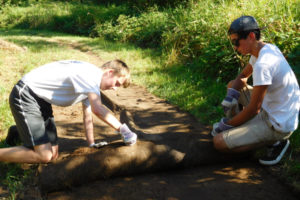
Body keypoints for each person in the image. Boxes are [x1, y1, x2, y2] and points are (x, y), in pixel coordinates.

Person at [0, 59, 137, 164]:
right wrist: (123, 129)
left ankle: (18, 131)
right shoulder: (90, 75)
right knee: (44, 156)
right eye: (117, 83)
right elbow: (98, 109)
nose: (115, 89)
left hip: (42, 101)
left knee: (53, 153)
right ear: (110, 72)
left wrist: (91, 144)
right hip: (26, 94)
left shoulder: (92, 85)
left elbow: (88, 116)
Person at [212, 16, 300, 165]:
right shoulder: (264, 49)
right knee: (232, 84)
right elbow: (243, 76)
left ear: (251, 36)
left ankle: (276, 142)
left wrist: (226, 125)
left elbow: (254, 109)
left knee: (218, 142)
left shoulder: (263, 65)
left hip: (278, 124)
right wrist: (231, 95)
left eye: (236, 42)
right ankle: (242, 129)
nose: (235, 47)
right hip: (275, 108)